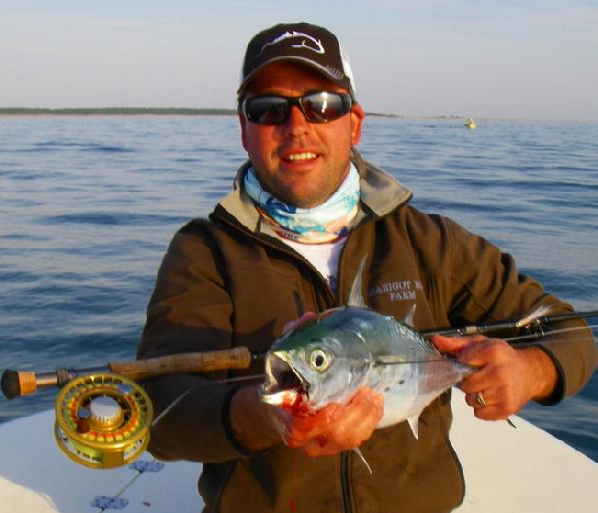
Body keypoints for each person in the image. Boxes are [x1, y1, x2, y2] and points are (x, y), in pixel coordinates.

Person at [137, 22, 597, 513]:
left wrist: (532, 369)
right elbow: (160, 411)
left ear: (354, 122)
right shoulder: (206, 252)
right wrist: (263, 417)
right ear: (244, 130)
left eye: (322, 105)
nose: (297, 126)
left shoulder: (431, 243)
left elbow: (569, 331)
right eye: (268, 109)